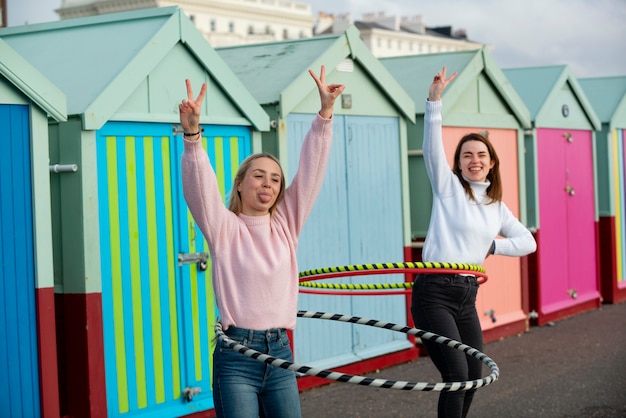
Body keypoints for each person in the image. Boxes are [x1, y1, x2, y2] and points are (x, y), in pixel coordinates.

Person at [178, 66, 345, 418]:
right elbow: (199, 190)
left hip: (280, 350)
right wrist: (192, 135)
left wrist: (325, 114)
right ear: (240, 183)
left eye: (275, 179)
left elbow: (312, 171)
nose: (267, 184)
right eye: (258, 176)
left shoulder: (286, 224)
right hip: (236, 355)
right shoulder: (224, 228)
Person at [411, 67, 537, 418]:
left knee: (474, 374)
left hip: (466, 296)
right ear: (459, 164)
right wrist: (434, 99)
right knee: (456, 375)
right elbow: (432, 148)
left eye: (481, 155)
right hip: (433, 292)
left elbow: (528, 243)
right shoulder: (448, 188)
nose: (474, 160)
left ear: (492, 163)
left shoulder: (497, 207)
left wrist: (494, 247)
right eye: (467, 155)